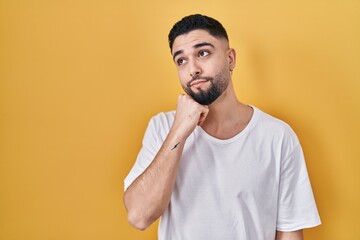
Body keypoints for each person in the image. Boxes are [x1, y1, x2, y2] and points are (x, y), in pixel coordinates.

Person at [123, 14, 321, 240]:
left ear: (231, 59)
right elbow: (139, 216)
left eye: (203, 53)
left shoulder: (277, 136)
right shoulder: (162, 127)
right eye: (181, 60)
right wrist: (179, 131)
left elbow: (289, 232)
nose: (193, 69)